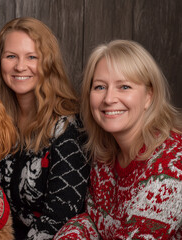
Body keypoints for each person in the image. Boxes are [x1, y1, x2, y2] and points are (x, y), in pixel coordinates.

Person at [54, 40, 182, 239]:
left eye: (124, 86)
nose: (108, 98)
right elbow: (91, 223)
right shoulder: (105, 157)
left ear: (149, 96)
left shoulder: (172, 162)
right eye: (99, 87)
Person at [0, 17, 90, 239]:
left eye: (32, 57)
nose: (20, 66)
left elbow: (60, 219)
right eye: (11, 56)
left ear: (48, 63)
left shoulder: (68, 127)